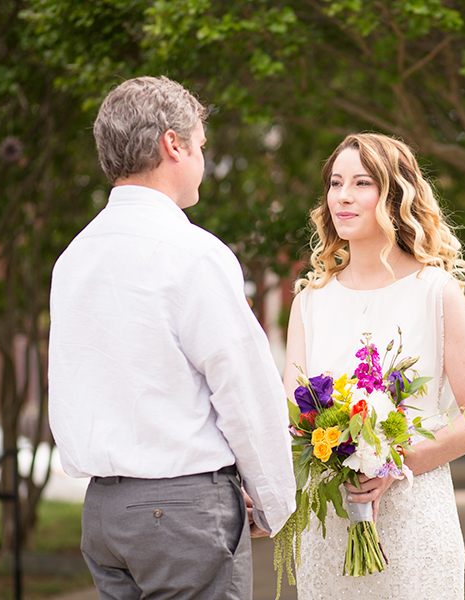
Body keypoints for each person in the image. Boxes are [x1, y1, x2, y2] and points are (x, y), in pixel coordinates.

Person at [48, 76, 296, 599]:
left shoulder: (73, 260)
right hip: (183, 514)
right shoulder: (193, 254)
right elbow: (243, 389)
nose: (202, 158)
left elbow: (70, 385)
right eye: (201, 144)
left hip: (105, 514)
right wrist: (272, 501)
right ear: (172, 144)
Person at [284, 133, 465, 599]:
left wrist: (393, 462)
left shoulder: (437, 292)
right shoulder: (309, 303)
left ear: (394, 196)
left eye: (362, 183)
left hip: (413, 522)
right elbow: (293, 422)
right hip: (328, 528)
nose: (343, 196)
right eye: (336, 183)